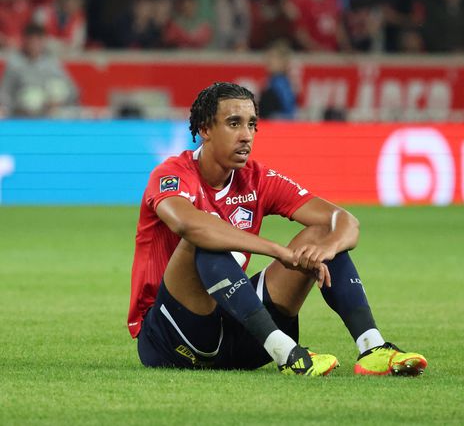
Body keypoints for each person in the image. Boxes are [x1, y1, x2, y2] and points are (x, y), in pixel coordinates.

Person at [128, 82, 427, 376]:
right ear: (205, 129)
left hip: (237, 331)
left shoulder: (257, 179)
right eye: (234, 123)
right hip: (170, 337)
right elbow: (187, 224)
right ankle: (287, 353)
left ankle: (372, 348)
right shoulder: (172, 174)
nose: (246, 135)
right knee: (203, 238)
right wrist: (278, 251)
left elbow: (345, 221)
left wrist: (328, 248)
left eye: (252, 125)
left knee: (323, 232)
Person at [0, 22, 78, 117]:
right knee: (32, 99)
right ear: (24, 41)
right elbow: (5, 93)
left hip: (51, 114)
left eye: (38, 40)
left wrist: (59, 101)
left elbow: (73, 90)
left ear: (43, 41)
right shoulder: (15, 63)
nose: (34, 45)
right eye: (31, 41)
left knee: (57, 88)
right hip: (23, 114)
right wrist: (14, 108)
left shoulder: (52, 62)